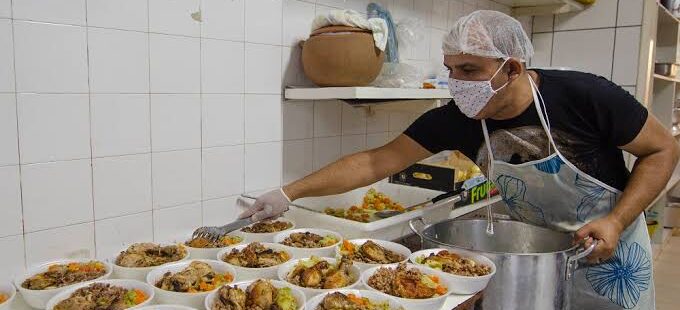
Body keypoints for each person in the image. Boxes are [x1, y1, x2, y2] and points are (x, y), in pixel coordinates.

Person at [240, 10, 678, 309]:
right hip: (534, 255)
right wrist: (287, 192)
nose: (456, 83)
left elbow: (663, 150)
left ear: (513, 68)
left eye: (469, 71)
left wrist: (617, 221)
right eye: (451, 69)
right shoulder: (459, 119)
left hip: (609, 249)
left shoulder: (584, 95)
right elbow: (376, 162)